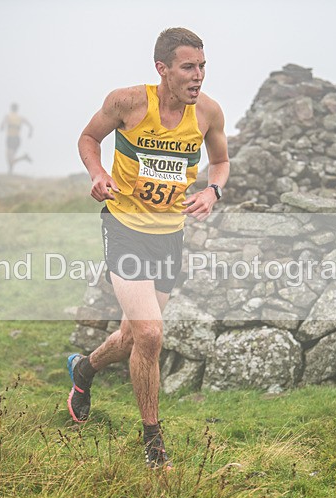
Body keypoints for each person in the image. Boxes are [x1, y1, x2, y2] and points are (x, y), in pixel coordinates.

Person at [69, 27, 230, 469]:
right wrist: (97, 173)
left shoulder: (208, 113)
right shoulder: (129, 102)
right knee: (151, 333)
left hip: (168, 234)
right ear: (162, 69)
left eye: (202, 67)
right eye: (187, 68)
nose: (197, 76)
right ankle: (153, 439)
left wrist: (213, 192)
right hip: (123, 227)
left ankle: (84, 370)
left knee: (130, 337)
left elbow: (220, 162)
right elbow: (88, 138)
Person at [0, 103, 33, 174]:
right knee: (11, 158)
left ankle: (23, 158)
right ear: (17, 109)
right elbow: (30, 126)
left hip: (11, 138)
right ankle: (10, 171)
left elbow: (3, 123)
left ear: (11, 108)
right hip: (17, 139)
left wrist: (2, 127)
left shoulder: (8, 116)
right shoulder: (20, 118)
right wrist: (30, 133)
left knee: (9, 157)